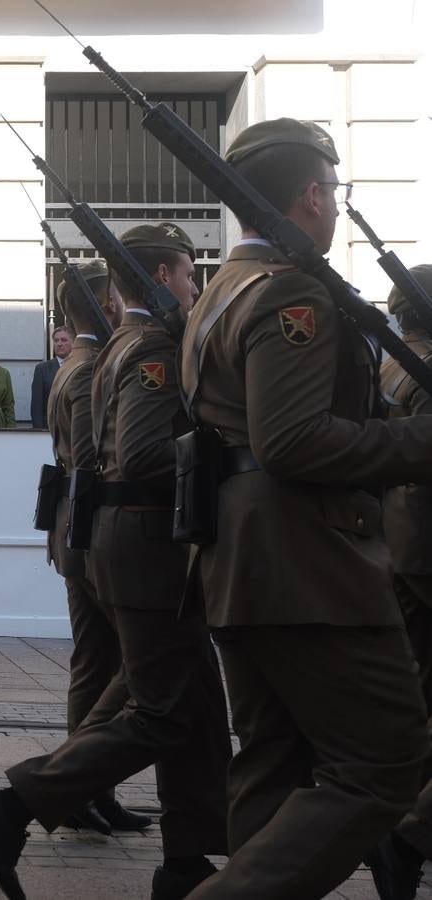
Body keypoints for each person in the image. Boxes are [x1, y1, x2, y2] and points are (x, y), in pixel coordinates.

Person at [175, 119, 429, 899]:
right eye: (334, 189)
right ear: (312, 195)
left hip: (246, 562)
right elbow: (291, 441)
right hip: (307, 565)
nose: (335, 202)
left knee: (275, 763)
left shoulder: (224, 288)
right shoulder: (290, 291)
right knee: (387, 762)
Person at [0, 221, 231, 900]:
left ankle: (187, 856)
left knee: (193, 703)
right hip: (145, 542)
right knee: (159, 706)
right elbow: (136, 455)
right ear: (164, 277)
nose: (196, 284)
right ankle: (20, 801)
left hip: (135, 539)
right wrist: (221, 454)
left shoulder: (125, 347)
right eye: (189, 272)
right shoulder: (149, 350)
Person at [40, 260, 148, 836]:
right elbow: (89, 460)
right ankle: (78, 785)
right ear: (104, 307)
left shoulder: (73, 364)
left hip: (72, 530)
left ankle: (89, 789)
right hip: (89, 531)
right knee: (117, 665)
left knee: (96, 663)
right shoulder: (87, 369)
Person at [372, 263, 432, 898]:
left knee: (418, 699)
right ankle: (411, 832)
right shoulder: (425, 365)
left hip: (395, 541)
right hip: (427, 542)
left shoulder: (390, 360)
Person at [30, 326, 72, 430]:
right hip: (50, 430)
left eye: (64, 340)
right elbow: (37, 406)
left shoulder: (80, 366)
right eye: (56, 340)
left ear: (73, 343)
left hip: (75, 429)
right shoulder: (42, 369)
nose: (59, 344)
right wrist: (39, 432)